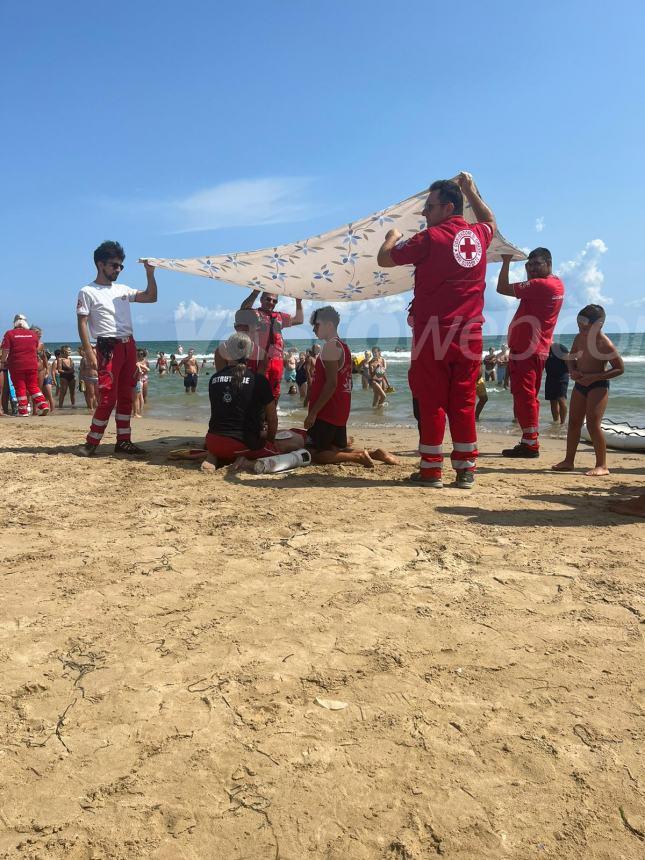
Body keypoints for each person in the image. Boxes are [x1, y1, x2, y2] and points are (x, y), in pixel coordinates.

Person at [377, 172, 496, 488]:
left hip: (434, 333)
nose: (424, 214)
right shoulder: (478, 236)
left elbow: (385, 258)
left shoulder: (430, 238)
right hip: (470, 334)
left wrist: (391, 234)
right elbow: (490, 219)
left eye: (428, 207)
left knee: (432, 401)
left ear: (447, 207)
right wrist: (471, 190)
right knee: (464, 400)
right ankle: (466, 470)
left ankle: (431, 471)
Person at [76, 240, 158, 457]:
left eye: (121, 265)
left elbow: (151, 297)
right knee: (107, 398)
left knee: (126, 396)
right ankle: (92, 442)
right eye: (114, 265)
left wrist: (150, 273)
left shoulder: (123, 289)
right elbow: (82, 323)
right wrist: (89, 351)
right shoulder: (87, 291)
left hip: (129, 345)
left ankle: (124, 441)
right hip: (107, 347)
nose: (118, 269)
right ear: (100, 264)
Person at [304, 306, 396, 467]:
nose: (313, 329)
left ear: (328, 325)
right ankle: (375, 454)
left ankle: (358, 457)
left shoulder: (331, 347)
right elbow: (347, 381)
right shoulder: (344, 346)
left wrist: (313, 413)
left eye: (316, 325)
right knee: (336, 448)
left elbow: (332, 384)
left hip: (327, 412)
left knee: (314, 454)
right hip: (339, 410)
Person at [497, 249, 565, 457]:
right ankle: (528, 440)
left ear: (549, 263)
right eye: (528, 265)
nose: (532, 269)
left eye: (536, 264)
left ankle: (530, 444)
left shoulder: (540, 286)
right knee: (528, 396)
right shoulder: (556, 283)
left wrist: (506, 261)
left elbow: (501, 288)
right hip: (536, 349)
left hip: (527, 349)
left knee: (525, 396)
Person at [552, 305, 624, 476]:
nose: (580, 329)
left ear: (598, 325)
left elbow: (619, 368)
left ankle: (602, 465)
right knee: (574, 423)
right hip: (580, 385)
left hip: (598, 386)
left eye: (584, 326)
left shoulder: (605, 344)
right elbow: (571, 357)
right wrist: (572, 370)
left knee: (593, 424)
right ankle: (569, 461)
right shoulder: (579, 338)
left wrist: (596, 377)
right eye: (578, 325)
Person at [202, 332, 284, 473]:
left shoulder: (214, 379)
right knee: (294, 442)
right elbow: (272, 419)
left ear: (226, 351)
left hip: (213, 441)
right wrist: (270, 442)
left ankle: (213, 456)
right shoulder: (259, 380)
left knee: (227, 436)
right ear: (251, 352)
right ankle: (245, 461)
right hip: (242, 445)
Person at [238, 290, 304, 398]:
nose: (271, 303)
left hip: (277, 361)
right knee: (257, 391)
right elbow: (243, 310)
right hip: (259, 360)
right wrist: (256, 291)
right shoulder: (254, 314)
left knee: (275, 393)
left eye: (274, 301)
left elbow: (299, 319)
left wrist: (298, 302)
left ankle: (273, 414)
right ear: (261, 300)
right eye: (268, 299)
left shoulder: (279, 316)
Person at [0, 314, 50, 417]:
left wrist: (3, 361)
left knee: (20, 386)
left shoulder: (10, 334)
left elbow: (5, 350)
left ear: (15, 322)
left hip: (17, 364)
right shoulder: (33, 335)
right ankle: (43, 404)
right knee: (33, 386)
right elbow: (35, 349)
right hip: (32, 364)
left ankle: (23, 411)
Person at [545, 342, 570, 424]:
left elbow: (569, 361)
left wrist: (573, 372)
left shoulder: (559, 347)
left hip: (561, 377)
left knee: (561, 399)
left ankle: (562, 423)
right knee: (552, 401)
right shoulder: (543, 349)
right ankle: (556, 422)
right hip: (550, 377)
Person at [79, 346, 99, 411]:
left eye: (94, 350)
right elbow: (82, 370)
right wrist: (81, 379)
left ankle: (98, 407)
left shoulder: (98, 359)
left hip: (98, 378)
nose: (93, 352)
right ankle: (91, 408)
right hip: (88, 378)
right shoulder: (84, 359)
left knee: (98, 394)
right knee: (91, 393)